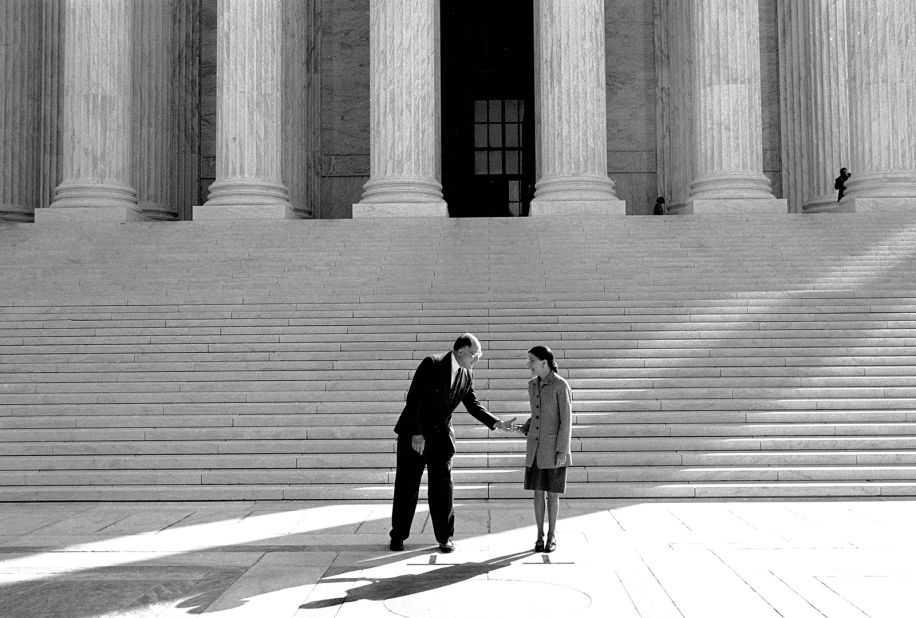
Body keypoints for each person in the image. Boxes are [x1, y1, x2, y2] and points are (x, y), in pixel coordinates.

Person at [389, 333, 516, 553]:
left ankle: (444, 537)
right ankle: (398, 536)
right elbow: (414, 399)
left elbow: (473, 404)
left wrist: (497, 423)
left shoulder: (467, 373)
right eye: (475, 354)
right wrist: (417, 434)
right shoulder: (432, 363)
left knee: (443, 489)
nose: (477, 359)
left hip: (441, 439)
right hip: (415, 436)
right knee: (407, 487)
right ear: (461, 351)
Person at [517, 345, 572, 553]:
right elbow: (538, 413)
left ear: (544, 362)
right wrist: (528, 424)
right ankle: (539, 535)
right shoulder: (532, 385)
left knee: (553, 494)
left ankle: (552, 535)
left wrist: (562, 451)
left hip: (554, 450)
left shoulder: (560, 385)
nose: (528, 364)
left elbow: (566, 421)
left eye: (531, 360)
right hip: (535, 447)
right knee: (537, 493)